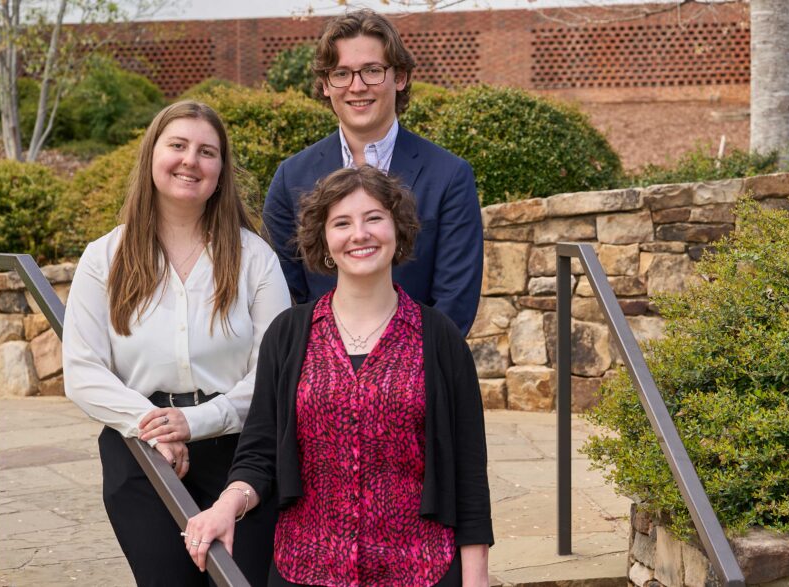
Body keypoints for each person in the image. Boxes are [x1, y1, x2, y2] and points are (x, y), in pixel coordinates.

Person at [184, 165, 493, 586]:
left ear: (397, 231)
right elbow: (259, 454)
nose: (359, 234)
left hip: (419, 568)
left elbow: (469, 480)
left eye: (374, 218)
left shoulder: (439, 338)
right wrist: (226, 506)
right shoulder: (289, 335)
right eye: (342, 223)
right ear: (325, 241)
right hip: (305, 567)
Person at [62, 100, 292, 586]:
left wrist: (193, 422)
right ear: (151, 156)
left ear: (221, 172)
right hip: (142, 456)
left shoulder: (256, 258)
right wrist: (154, 430)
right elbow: (82, 370)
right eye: (178, 146)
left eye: (207, 152)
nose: (191, 160)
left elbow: (273, 373)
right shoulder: (105, 257)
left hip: (241, 454)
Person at [263, 9, 483, 335]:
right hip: (320, 374)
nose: (357, 86)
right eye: (342, 73)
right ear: (325, 85)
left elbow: (455, 301)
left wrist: (398, 371)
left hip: (419, 374)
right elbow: (284, 294)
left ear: (400, 77)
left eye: (372, 70)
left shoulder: (450, 176)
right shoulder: (290, 178)